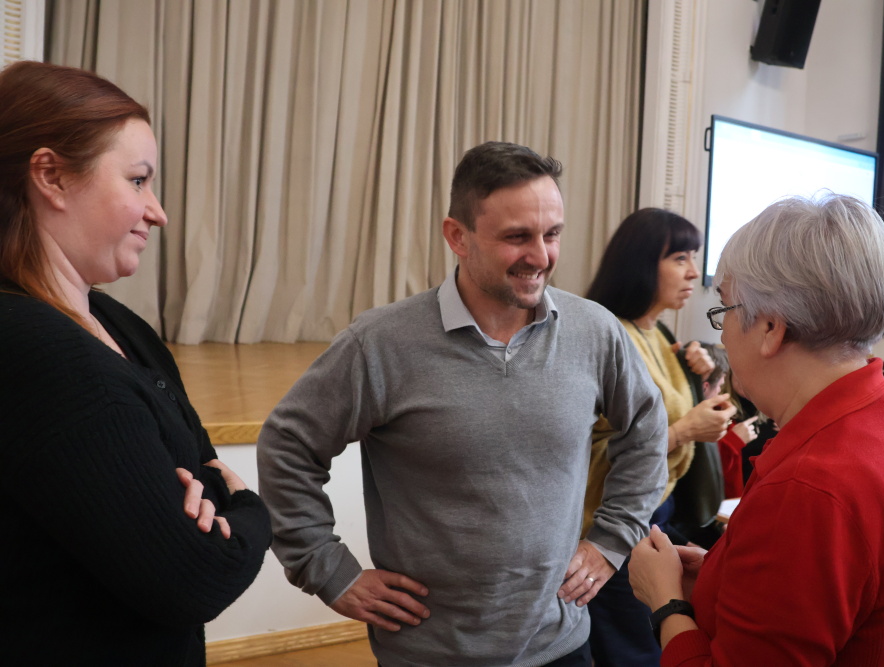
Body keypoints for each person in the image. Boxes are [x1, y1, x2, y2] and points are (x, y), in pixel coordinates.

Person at [256, 141, 670, 666]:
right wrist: (328, 569)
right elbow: (288, 445)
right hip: (428, 653)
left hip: (561, 646)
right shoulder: (380, 343)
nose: (541, 256)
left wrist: (611, 540)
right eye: (517, 237)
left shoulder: (595, 330)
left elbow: (646, 427)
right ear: (458, 236)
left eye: (552, 234)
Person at [0, 61, 272, 665]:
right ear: (51, 176)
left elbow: (200, 458)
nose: (158, 212)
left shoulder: (116, 322)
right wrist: (250, 510)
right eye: (138, 181)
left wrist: (208, 490)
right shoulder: (41, 356)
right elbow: (198, 576)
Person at [629, 194, 884, 665]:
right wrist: (721, 574)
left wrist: (665, 602)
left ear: (770, 328)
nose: (723, 334)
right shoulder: (883, 412)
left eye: (726, 309)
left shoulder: (808, 488)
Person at [581, 208, 737, 666]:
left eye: (694, 258)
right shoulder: (607, 336)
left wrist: (705, 384)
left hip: (657, 513)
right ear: (641, 263)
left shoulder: (658, 332)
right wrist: (687, 429)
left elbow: (662, 415)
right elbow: (585, 450)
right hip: (613, 521)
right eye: (679, 258)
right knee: (636, 654)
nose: (693, 272)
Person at [699, 344, 759, 499]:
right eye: (740, 371)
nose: (746, 379)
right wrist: (733, 441)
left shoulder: (768, 410)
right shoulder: (717, 411)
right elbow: (706, 471)